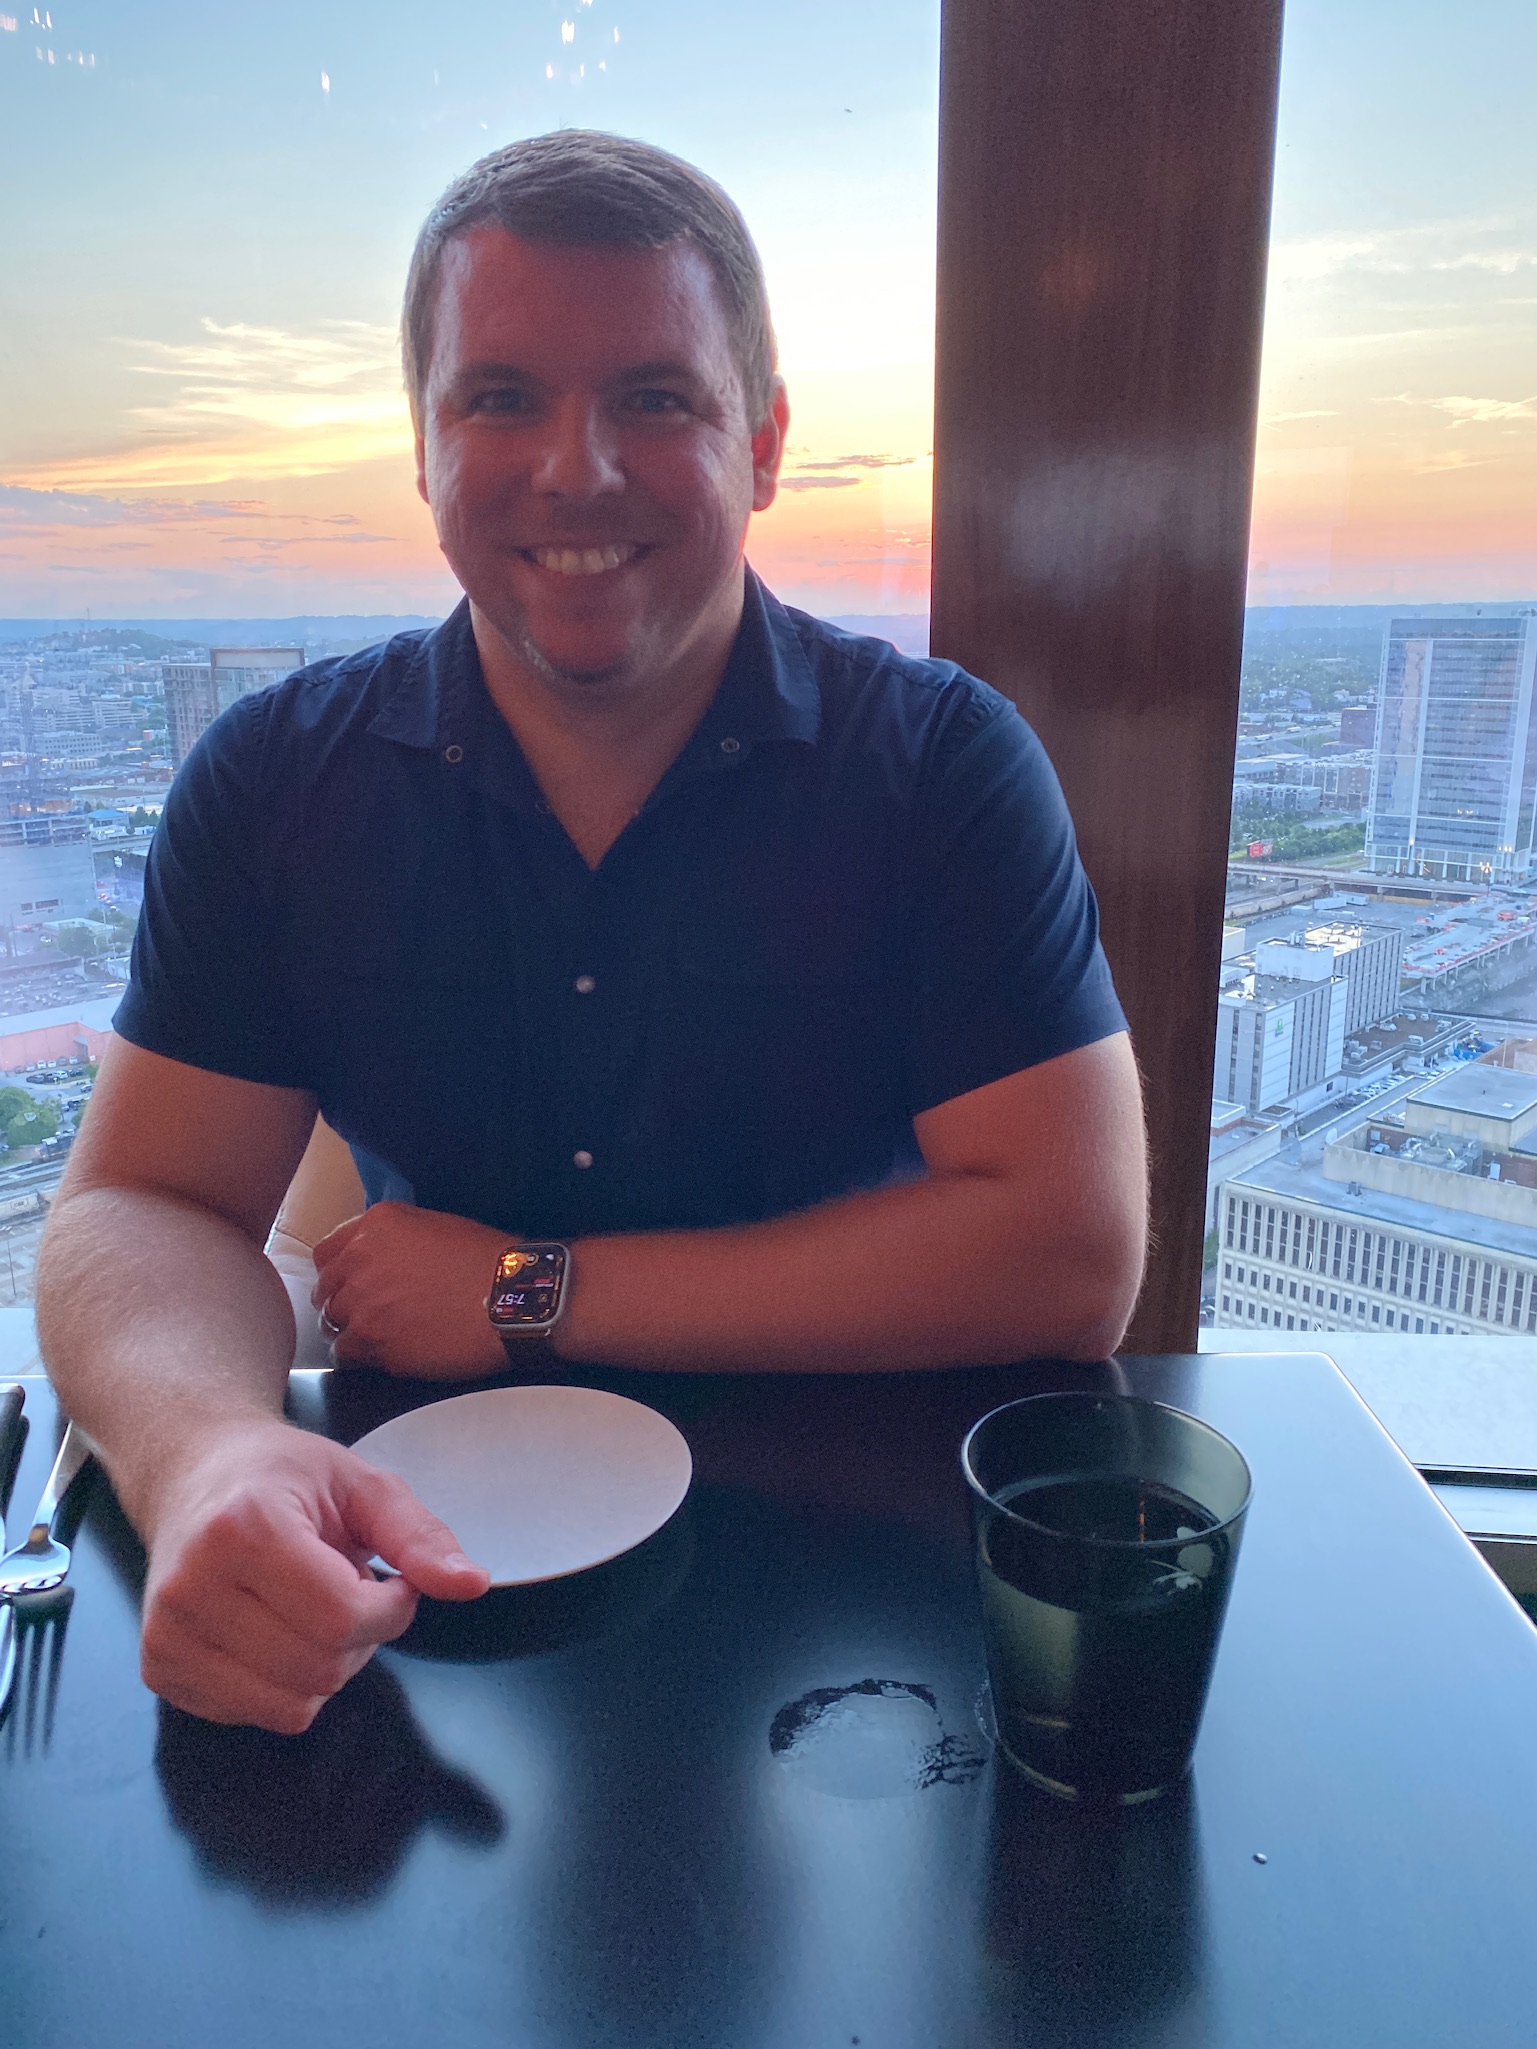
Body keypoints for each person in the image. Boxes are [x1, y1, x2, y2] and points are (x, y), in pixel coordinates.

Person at [37, 131, 1147, 1734]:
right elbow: (136, 1204)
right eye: (499, 398)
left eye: (654, 397)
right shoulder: (280, 784)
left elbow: (1064, 1250)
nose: (576, 467)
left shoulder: (936, 767)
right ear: (420, 450)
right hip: (408, 1595)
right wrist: (207, 1446)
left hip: (878, 1624)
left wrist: (527, 1289)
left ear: (760, 443)